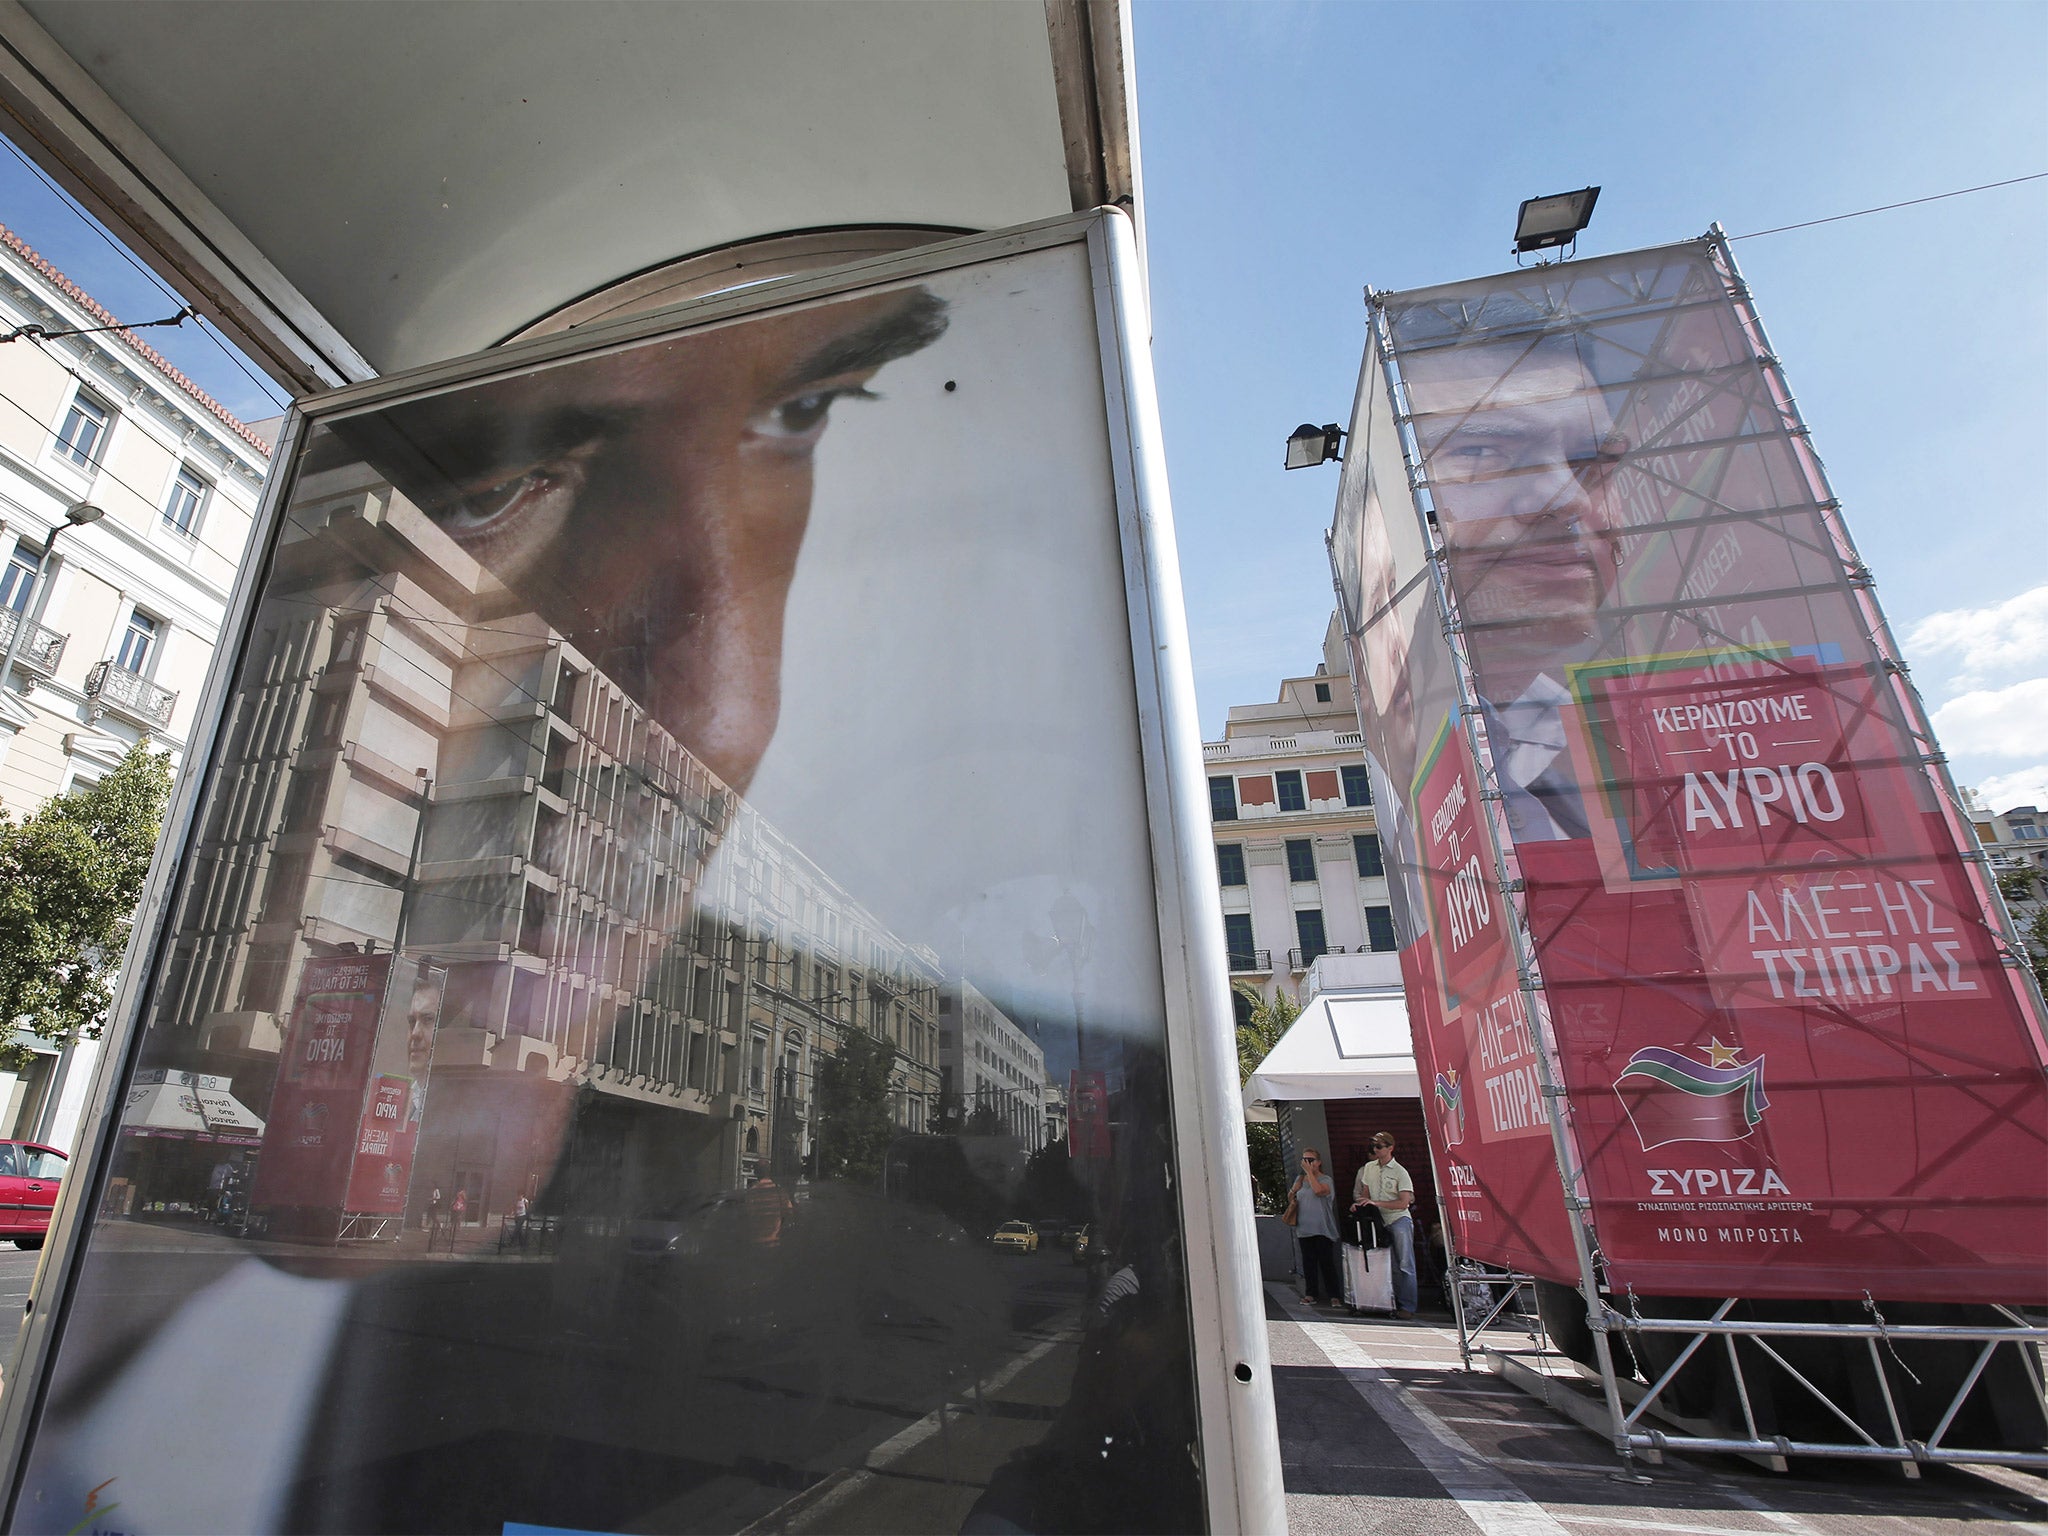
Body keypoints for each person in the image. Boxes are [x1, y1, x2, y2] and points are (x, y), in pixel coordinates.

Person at [1353, 1132, 1418, 1318]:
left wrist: (1377, 1203)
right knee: (1385, 1262)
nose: (1376, 1150)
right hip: (1378, 1220)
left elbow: (1404, 1202)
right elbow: (1365, 1193)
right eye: (1374, 1147)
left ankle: (1408, 1306)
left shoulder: (1400, 1172)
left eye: (1380, 1146)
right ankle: (1387, 1302)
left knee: (1405, 1263)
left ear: (1390, 1148)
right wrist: (1360, 1203)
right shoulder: (1369, 1168)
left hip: (1398, 1219)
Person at [1289, 1148, 1342, 1307]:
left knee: (1327, 1263)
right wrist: (1295, 1188)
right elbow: (1291, 1197)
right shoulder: (1300, 1179)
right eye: (1305, 1160)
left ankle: (1334, 1295)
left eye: (1311, 1160)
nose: (1307, 1163)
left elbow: (1319, 1191)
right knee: (1308, 1263)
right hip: (1304, 1228)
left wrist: (1309, 1174)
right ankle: (1311, 1293)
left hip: (1322, 1228)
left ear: (1318, 1163)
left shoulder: (1325, 1179)